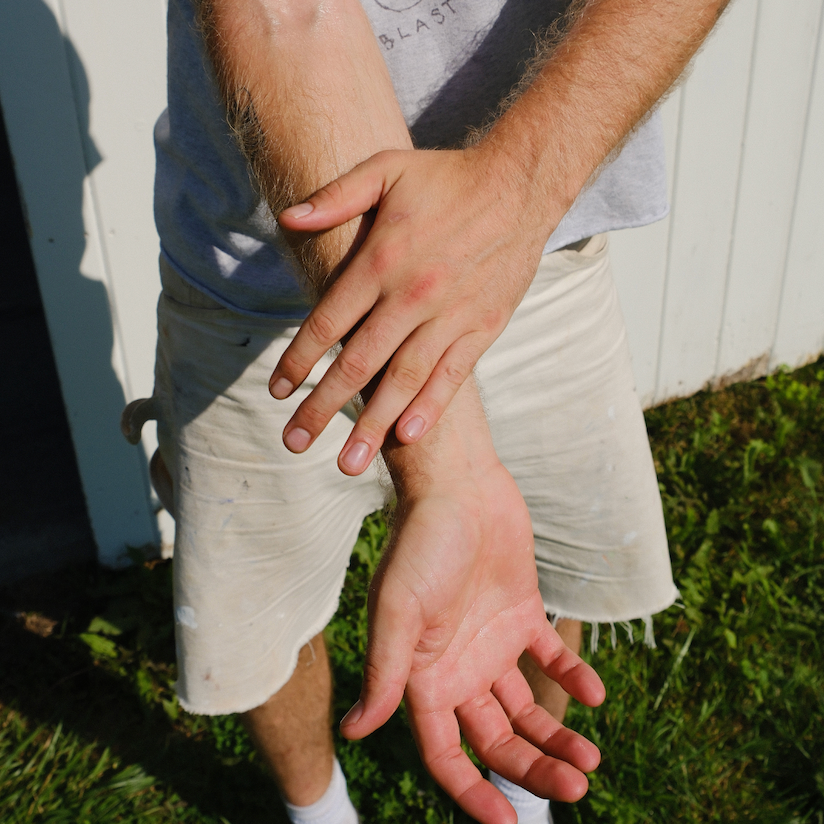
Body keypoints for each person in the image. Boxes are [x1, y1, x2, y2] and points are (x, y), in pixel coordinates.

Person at [122, 1, 728, 822]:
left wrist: (518, 187)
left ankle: (520, 796)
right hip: (256, 279)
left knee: (541, 575)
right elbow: (285, 13)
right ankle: (318, 811)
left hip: (540, 239)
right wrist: (450, 469)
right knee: (269, 619)